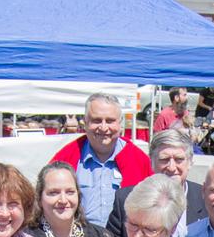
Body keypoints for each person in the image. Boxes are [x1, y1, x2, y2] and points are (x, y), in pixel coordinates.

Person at [51, 93, 151, 224]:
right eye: (97, 120)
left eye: (110, 121)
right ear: (85, 123)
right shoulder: (65, 158)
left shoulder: (140, 161)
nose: (103, 128)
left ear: (120, 124)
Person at [106, 128, 205, 237]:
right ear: (152, 162)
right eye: (164, 159)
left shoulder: (205, 199)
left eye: (179, 159)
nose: (171, 167)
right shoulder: (124, 199)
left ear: (190, 162)